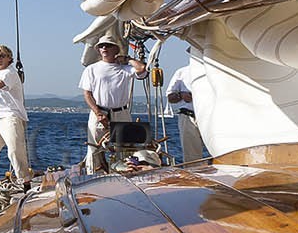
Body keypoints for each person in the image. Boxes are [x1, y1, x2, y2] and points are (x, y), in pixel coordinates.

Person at [80, 34, 149, 172]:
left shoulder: (126, 69)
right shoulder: (91, 69)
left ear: (116, 50)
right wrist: (98, 113)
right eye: (101, 46)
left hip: (122, 113)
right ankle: (94, 178)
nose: (104, 47)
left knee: (126, 150)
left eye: (108, 45)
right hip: (99, 113)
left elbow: (142, 69)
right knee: (94, 150)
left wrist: (128, 59)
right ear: (98, 50)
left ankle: (124, 178)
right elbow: (87, 94)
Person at [0, 44, 32, 183]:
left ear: (9, 58)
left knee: (15, 152)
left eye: (2, 55)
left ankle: (25, 182)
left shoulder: (10, 73)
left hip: (11, 117)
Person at [166, 60, 208, 162]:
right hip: (188, 116)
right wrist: (181, 95)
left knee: (220, 151)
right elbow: (170, 97)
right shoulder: (182, 72)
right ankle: (194, 176)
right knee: (191, 157)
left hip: (209, 115)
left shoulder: (214, 72)